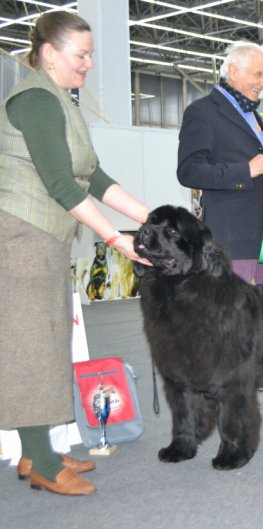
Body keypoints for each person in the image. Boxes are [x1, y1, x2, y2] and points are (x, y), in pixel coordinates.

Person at [0, 11, 152, 496]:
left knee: (46, 344)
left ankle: (34, 452)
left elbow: (95, 177)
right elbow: (62, 185)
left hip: (42, 239)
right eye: (81, 55)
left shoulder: (61, 101)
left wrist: (151, 217)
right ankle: (42, 463)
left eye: (90, 55)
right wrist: (116, 239)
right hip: (22, 239)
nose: (89, 64)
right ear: (49, 53)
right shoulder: (35, 100)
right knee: (30, 346)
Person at [177, 40, 263, 403]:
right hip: (231, 233)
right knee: (227, 320)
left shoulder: (257, 116)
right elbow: (189, 171)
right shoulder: (201, 112)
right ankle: (220, 396)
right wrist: (246, 170)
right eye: (258, 74)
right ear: (233, 70)